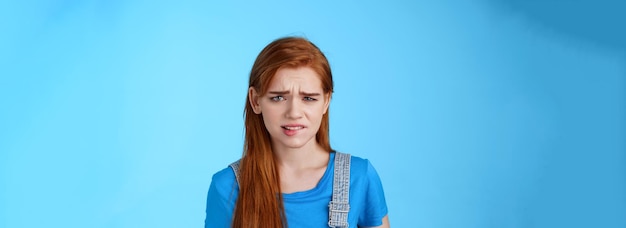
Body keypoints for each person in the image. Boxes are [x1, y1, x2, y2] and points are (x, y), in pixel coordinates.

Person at [205, 37, 389, 228]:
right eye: (278, 97)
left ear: (326, 101)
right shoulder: (227, 187)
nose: (294, 113)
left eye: (308, 98)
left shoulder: (359, 176)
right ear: (256, 101)